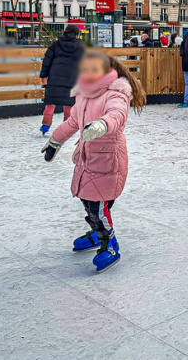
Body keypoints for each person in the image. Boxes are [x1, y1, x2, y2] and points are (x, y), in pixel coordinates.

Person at [41, 51, 146, 273]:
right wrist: (55, 141)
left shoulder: (116, 93)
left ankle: (110, 244)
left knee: (98, 208)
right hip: (87, 158)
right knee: (87, 202)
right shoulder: (85, 94)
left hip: (108, 159)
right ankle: (98, 235)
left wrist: (102, 124)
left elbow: (117, 115)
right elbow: (73, 122)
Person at [39, 24, 84, 135]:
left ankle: (45, 124)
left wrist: (43, 75)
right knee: (68, 103)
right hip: (72, 77)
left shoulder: (55, 44)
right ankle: (66, 127)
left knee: (50, 102)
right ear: (77, 35)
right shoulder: (81, 47)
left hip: (55, 77)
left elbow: (47, 61)